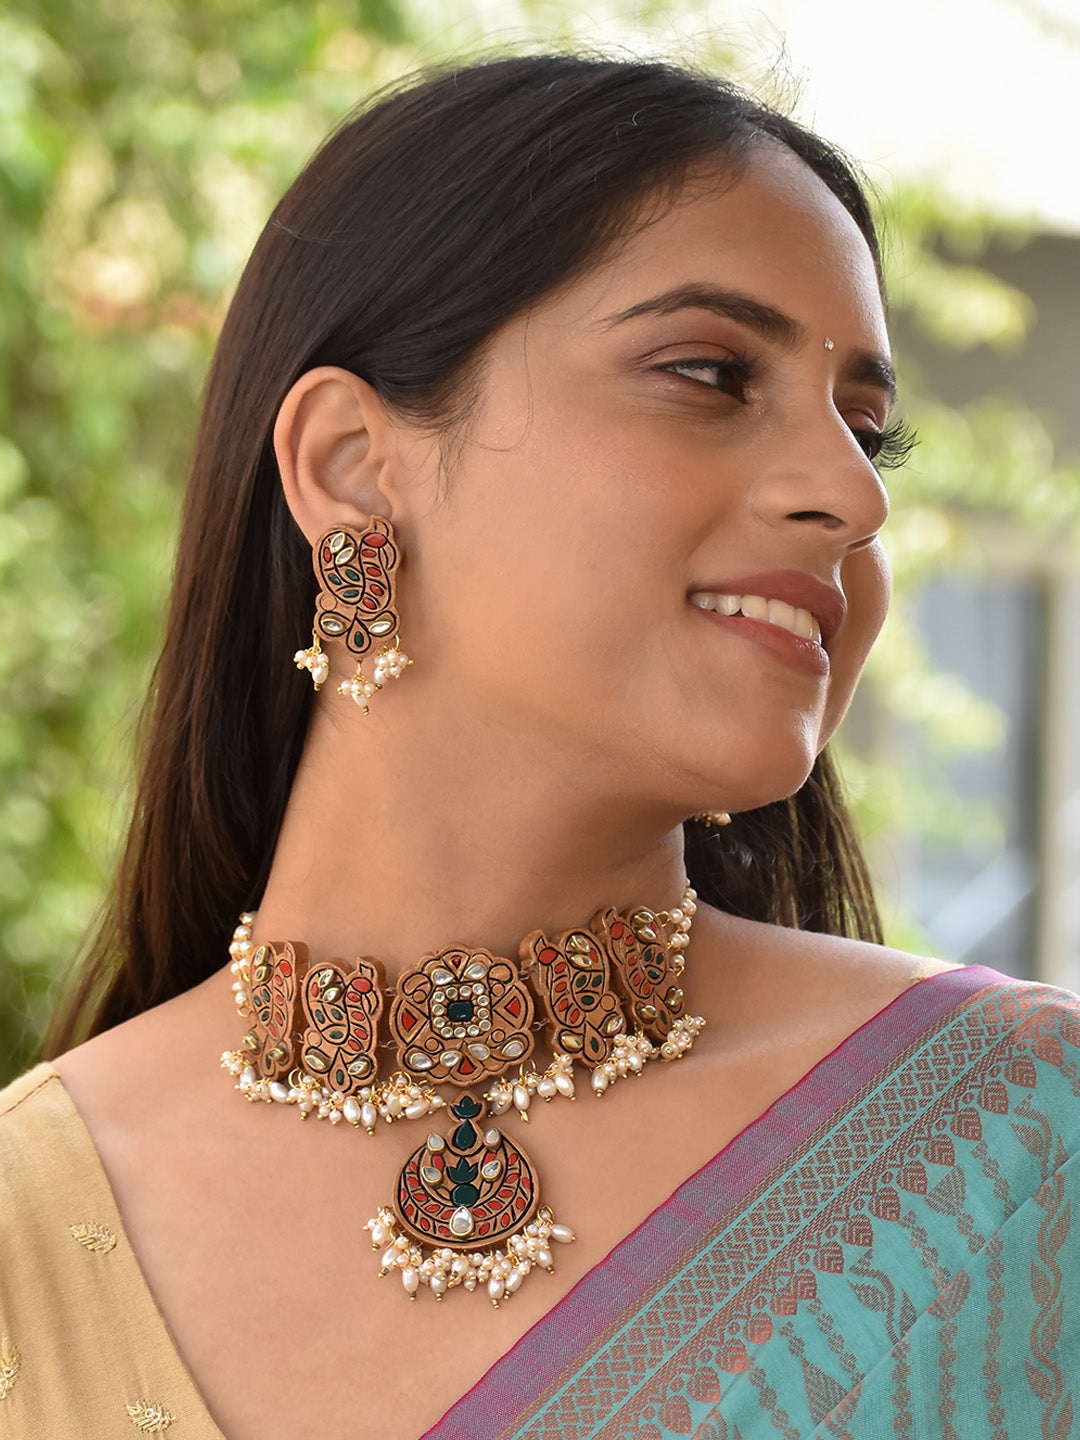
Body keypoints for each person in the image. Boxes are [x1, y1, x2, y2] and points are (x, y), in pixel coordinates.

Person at [1, 51, 1076, 1440]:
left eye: (870, 432)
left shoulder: (1015, 1152)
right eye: (706, 372)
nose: (850, 496)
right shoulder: (30, 1234)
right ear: (348, 465)